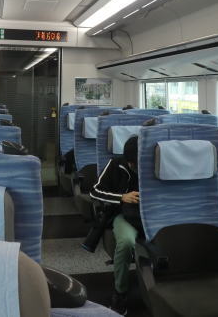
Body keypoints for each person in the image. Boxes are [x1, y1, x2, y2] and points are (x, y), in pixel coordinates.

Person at [89, 135, 141, 315]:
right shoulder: (115, 165)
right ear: (128, 161)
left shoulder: (158, 166)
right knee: (126, 243)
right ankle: (120, 293)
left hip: (154, 214)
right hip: (124, 215)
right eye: (133, 164)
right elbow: (94, 191)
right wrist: (122, 197)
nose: (136, 167)